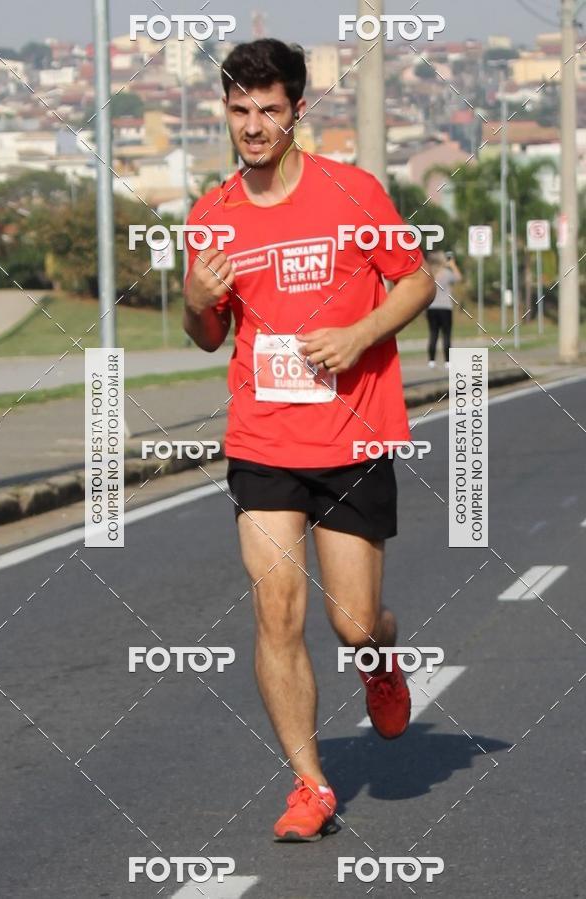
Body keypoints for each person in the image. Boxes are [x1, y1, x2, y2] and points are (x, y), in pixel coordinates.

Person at [183, 39, 436, 842]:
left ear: (298, 109)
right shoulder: (212, 216)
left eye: (269, 109)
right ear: (226, 112)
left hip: (352, 433)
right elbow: (206, 335)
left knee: (352, 622)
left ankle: (380, 658)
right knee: (276, 610)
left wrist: (360, 334)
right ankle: (310, 783)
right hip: (262, 437)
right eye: (239, 110)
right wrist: (195, 297)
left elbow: (417, 280)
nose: (253, 126)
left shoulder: (352, 191)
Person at [426, 251, 462, 368]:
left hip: (431, 308)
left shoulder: (429, 273)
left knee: (433, 334)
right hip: (445, 308)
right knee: (446, 335)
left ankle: (431, 361)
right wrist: (453, 265)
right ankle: (447, 361)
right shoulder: (446, 273)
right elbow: (458, 277)